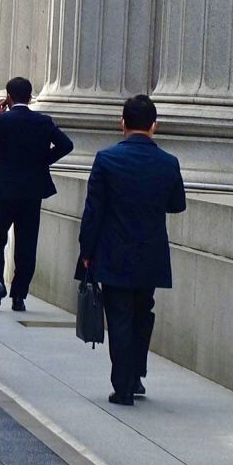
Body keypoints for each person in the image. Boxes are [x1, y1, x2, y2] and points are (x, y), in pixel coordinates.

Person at [78, 94, 187, 406]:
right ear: (154, 126)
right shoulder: (168, 162)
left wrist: (86, 252)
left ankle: (123, 386)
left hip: (114, 252)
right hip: (150, 253)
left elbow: (93, 211)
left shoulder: (106, 159)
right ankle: (136, 374)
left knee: (120, 317)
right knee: (143, 313)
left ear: (122, 123)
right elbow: (177, 204)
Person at [0, 76, 73, 312]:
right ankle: (19, 296)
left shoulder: (1, 121)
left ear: (8, 98)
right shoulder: (43, 122)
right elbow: (66, 145)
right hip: (31, 193)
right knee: (26, 245)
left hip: (3, 192)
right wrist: (42, 162)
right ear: (30, 97)